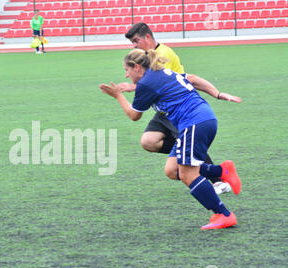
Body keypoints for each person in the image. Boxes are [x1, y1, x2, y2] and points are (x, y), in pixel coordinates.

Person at [99, 49, 242, 230]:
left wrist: (118, 95)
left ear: (136, 67)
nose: (126, 74)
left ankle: (224, 214)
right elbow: (192, 79)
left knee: (187, 174)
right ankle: (222, 171)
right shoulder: (160, 72)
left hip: (194, 122)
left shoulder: (146, 83)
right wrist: (218, 94)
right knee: (171, 170)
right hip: (202, 119)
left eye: (126, 69)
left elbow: (134, 116)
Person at [119, 23, 241, 195]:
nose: (134, 45)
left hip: (178, 109)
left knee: (185, 149)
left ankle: (217, 180)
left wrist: (218, 94)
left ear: (147, 37)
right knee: (148, 141)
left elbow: (162, 84)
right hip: (164, 110)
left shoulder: (161, 54)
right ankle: (188, 157)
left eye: (136, 41)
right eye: (132, 42)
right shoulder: (146, 58)